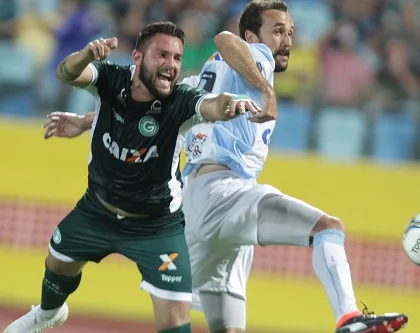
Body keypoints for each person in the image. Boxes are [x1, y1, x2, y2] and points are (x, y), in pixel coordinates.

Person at [38, 2, 409, 333]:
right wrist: (266, 88)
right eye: (277, 30)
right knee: (327, 228)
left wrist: (87, 121)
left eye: (290, 32)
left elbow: (153, 109)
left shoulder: (206, 79)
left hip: (196, 208)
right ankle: (349, 318)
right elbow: (224, 38)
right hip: (223, 192)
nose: (286, 40)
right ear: (253, 36)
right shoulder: (255, 57)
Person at [3, 21, 268, 333]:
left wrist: (231, 105)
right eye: (163, 55)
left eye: (177, 58)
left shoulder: (182, 100)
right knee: (57, 261)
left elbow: (212, 105)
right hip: (97, 209)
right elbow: (67, 73)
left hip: (156, 225)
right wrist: (87, 54)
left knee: (174, 321)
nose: (171, 65)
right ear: (139, 58)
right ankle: (48, 314)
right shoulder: (111, 79)